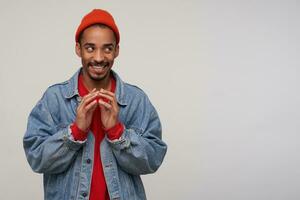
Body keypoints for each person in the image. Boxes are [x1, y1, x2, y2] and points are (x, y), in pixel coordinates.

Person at [23, 9, 167, 200]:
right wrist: (75, 132)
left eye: (107, 48)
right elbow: (36, 159)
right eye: (90, 48)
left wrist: (117, 132)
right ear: (78, 48)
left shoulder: (136, 100)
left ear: (116, 50)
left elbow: (153, 160)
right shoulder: (54, 99)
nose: (99, 58)